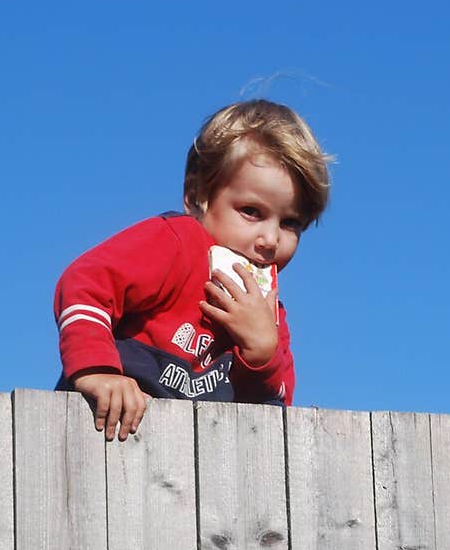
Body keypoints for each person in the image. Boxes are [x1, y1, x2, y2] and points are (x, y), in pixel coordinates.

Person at [53, 99, 332, 440]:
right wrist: (98, 370)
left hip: (191, 462)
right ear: (196, 195)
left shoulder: (269, 313)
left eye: (290, 223)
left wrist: (262, 355)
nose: (271, 239)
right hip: (103, 431)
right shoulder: (177, 245)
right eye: (251, 211)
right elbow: (87, 282)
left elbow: (270, 426)